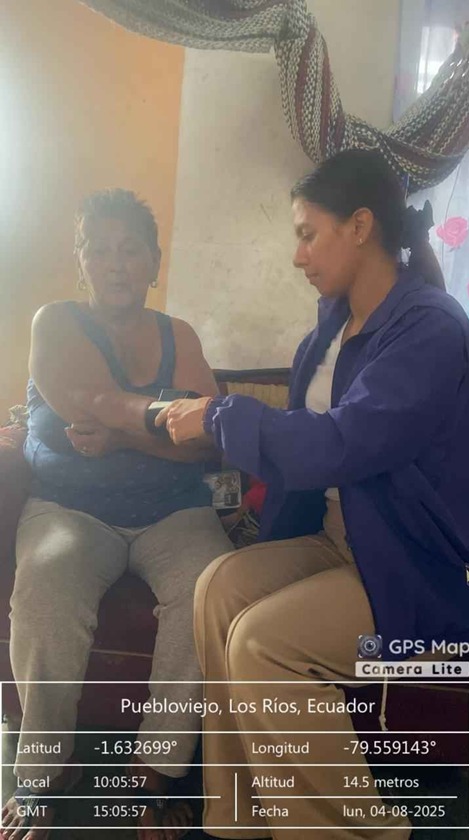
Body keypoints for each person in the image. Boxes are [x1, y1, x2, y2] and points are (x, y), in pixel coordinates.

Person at [150, 150, 469, 838]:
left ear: (360, 226)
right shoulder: (329, 328)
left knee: (263, 643)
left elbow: (341, 443)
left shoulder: (431, 330)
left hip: (408, 565)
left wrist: (218, 414)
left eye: (307, 234)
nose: (297, 256)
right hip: (337, 537)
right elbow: (305, 451)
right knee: (217, 588)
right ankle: (239, 820)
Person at [1, 189, 231, 840]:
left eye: (130, 250)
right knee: (45, 587)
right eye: (99, 250)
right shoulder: (55, 322)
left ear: (154, 262)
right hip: (70, 509)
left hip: (174, 512)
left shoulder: (179, 336)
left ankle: (154, 772)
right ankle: (44, 773)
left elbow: (212, 440)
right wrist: (165, 424)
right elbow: (87, 400)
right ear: (81, 260)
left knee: (209, 587)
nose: (115, 263)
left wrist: (128, 437)